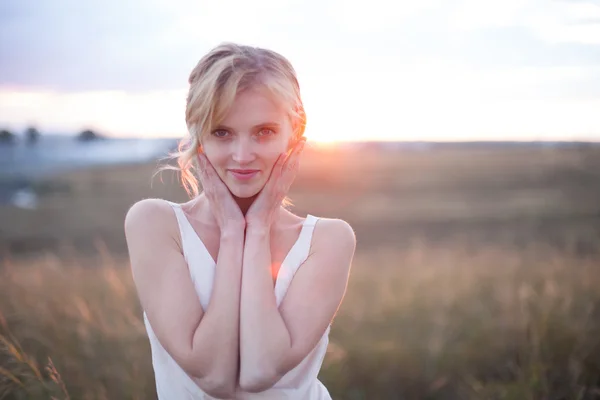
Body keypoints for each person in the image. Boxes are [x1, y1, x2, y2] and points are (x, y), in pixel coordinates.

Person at [124, 42, 356, 399]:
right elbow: (214, 378)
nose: (243, 155)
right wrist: (234, 232)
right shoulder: (156, 224)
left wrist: (259, 226)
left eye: (264, 131)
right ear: (197, 132)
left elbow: (260, 370)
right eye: (222, 132)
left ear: (293, 134)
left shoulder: (328, 240)